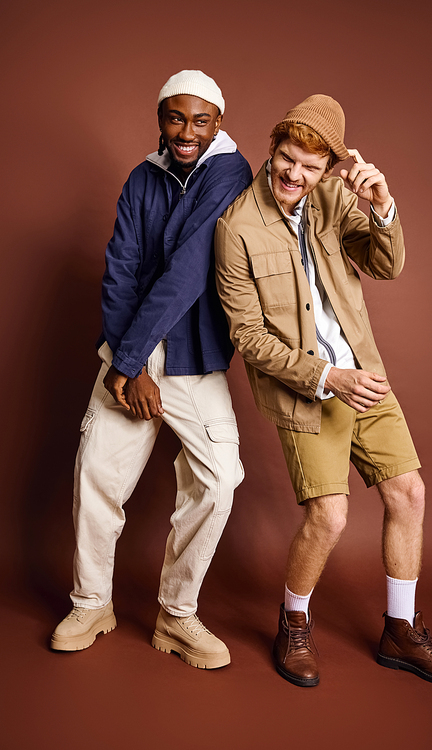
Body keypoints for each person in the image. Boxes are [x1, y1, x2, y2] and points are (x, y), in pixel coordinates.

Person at [214, 94, 432, 688]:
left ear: (328, 168)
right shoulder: (237, 228)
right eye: (285, 158)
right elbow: (249, 337)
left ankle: (401, 631)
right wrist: (328, 377)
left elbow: (388, 266)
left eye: (309, 166)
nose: (292, 175)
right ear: (272, 148)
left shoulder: (334, 199)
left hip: (366, 376)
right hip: (309, 391)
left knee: (409, 493)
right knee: (329, 516)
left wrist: (382, 207)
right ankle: (293, 621)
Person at [51, 70, 252, 670]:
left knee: (217, 483)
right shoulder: (143, 177)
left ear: (218, 121)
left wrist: (133, 359)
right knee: (96, 476)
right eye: (175, 118)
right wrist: (125, 362)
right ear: (160, 117)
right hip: (129, 354)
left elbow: (190, 270)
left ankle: (177, 614)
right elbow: (120, 269)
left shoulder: (231, 173)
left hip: (191, 358)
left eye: (200, 120)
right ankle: (92, 603)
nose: (186, 132)